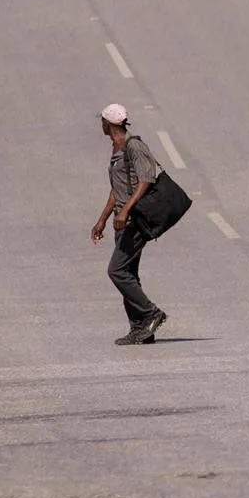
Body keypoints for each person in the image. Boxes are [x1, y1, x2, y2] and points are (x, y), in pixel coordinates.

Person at [90, 103, 168, 345]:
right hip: (122, 220)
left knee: (117, 271)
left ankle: (151, 313)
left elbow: (146, 180)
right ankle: (141, 329)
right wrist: (102, 219)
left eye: (102, 121)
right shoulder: (118, 148)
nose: (101, 125)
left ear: (109, 123)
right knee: (129, 273)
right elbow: (117, 188)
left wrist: (124, 211)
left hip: (135, 219)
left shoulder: (134, 146)